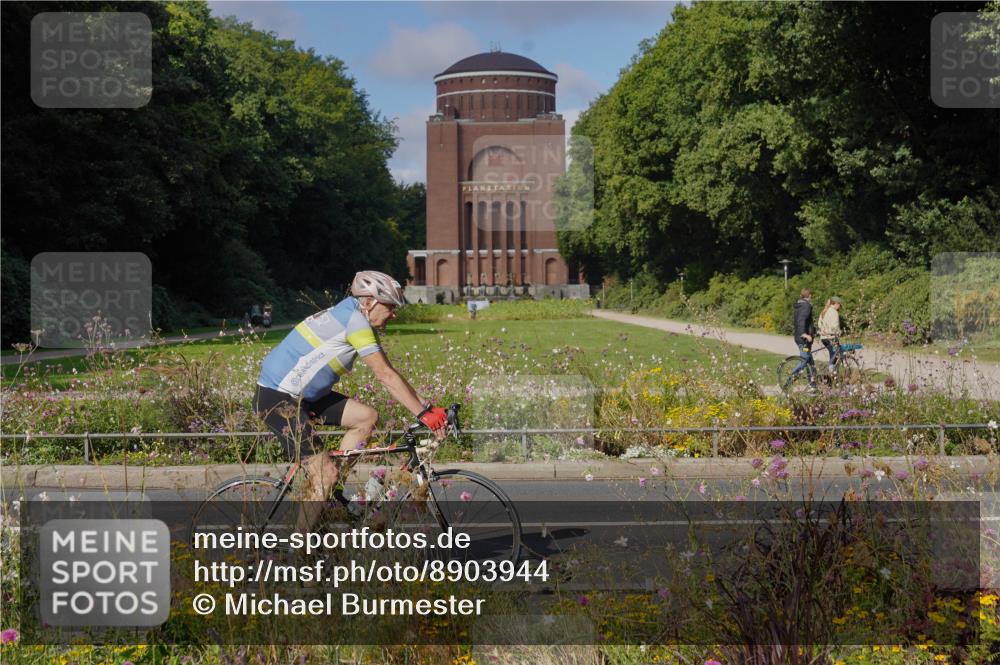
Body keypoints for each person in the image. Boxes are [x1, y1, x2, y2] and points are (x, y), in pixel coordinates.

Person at [252, 270, 448, 522]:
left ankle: (330, 496)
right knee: (325, 474)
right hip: (277, 398)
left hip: (303, 397)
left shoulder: (354, 314)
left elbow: (390, 372)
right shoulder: (354, 321)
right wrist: (424, 415)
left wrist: (428, 408)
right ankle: (299, 544)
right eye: (390, 306)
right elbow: (384, 376)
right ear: (370, 302)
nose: (394, 313)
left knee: (366, 417)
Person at [788, 288, 817, 391]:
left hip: (800, 338)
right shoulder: (806, 306)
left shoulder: (800, 305)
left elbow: (807, 322)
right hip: (803, 339)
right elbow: (801, 320)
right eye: (811, 295)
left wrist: (814, 331)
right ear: (809, 295)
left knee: (810, 362)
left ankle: (813, 385)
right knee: (804, 360)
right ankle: (789, 381)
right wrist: (804, 334)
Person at [817, 296, 844, 372]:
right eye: (840, 305)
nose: (840, 307)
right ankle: (831, 372)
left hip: (823, 338)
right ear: (836, 303)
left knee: (832, 354)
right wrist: (839, 332)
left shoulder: (824, 311)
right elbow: (835, 327)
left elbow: (819, 324)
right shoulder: (834, 312)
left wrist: (824, 330)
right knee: (835, 355)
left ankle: (832, 372)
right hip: (831, 337)